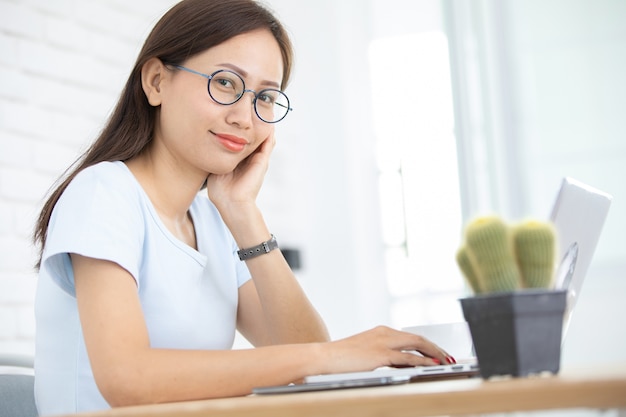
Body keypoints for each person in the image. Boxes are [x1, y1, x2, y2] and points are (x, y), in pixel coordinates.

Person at [32, 0, 454, 415]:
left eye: (266, 98)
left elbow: (306, 358)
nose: (245, 117)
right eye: (226, 83)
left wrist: (242, 212)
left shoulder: (212, 220)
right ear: (157, 81)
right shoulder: (103, 192)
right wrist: (330, 356)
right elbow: (127, 379)